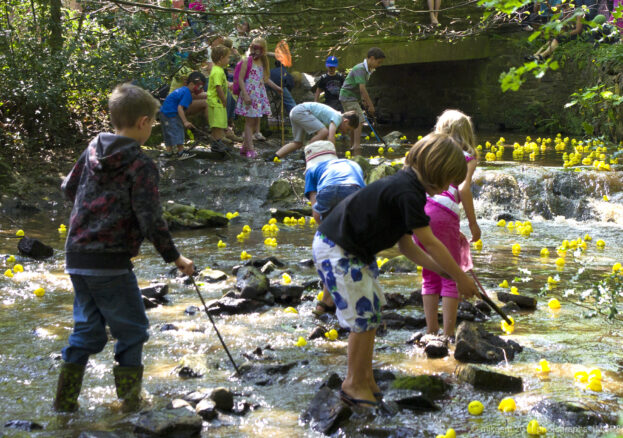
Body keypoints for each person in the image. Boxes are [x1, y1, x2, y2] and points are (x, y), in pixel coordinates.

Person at [53, 83, 195, 413]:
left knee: (89, 331)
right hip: (110, 262)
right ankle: (131, 405)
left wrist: (92, 215)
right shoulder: (140, 164)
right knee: (132, 331)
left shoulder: (92, 148)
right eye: (155, 123)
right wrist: (176, 258)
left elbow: (67, 188)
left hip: (76, 255)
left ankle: (63, 403)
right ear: (143, 122)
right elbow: (150, 220)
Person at [312, 133, 478, 407]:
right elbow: (428, 241)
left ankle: (365, 378)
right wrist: (460, 276)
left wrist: (445, 273)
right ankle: (353, 383)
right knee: (362, 317)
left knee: (373, 310)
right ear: (437, 171)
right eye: (448, 181)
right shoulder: (408, 192)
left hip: (352, 249)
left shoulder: (406, 188)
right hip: (338, 248)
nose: (448, 188)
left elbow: (406, 247)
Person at [414, 110, 481, 339]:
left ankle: (431, 331)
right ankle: (448, 335)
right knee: (451, 274)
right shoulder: (467, 156)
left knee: (430, 273)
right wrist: (473, 225)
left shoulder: (432, 151)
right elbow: (463, 190)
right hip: (445, 213)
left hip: (421, 210)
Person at [303, 141, 365, 317]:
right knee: (350, 243)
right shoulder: (352, 164)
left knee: (330, 246)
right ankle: (341, 296)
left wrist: (325, 231)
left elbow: (316, 212)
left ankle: (325, 301)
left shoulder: (312, 171)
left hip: (328, 191)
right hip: (354, 192)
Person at [235, 37, 282, 158]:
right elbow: (240, 78)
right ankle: (251, 149)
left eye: (258, 48)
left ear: (263, 50)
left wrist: (276, 87)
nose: (255, 51)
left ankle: (244, 149)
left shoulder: (263, 62)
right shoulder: (247, 60)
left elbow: (265, 79)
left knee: (255, 121)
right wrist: (245, 94)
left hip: (259, 95)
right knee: (250, 122)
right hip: (249, 93)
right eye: (253, 47)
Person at [272, 102, 359, 160]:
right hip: (301, 111)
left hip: (295, 111)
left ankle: (274, 157)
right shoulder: (337, 117)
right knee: (324, 132)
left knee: (297, 143)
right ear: (346, 121)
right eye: (347, 129)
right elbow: (331, 136)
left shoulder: (335, 116)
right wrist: (333, 155)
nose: (345, 132)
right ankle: (306, 152)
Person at [339, 47, 385, 155]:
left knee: (352, 120)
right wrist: (371, 105)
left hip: (349, 97)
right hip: (348, 97)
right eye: (379, 62)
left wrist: (363, 100)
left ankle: (352, 144)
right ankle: (356, 145)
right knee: (359, 120)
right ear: (372, 58)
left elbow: (359, 89)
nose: (379, 65)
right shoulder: (360, 69)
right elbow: (362, 88)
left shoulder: (366, 70)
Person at [528, 0, 599, 60]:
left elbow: (578, 30)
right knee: (551, 39)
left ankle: (542, 55)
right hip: (569, 32)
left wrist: (566, 34)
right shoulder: (566, 12)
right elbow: (565, 25)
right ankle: (536, 54)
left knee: (557, 39)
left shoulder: (579, 12)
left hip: (575, 34)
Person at [159, 71, 206, 159]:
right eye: (200, 86)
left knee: (168, 132)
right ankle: (181, 152)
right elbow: (180, 107)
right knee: (178, 130)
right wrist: (185, 121)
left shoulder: (183, 89)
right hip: (171, 114)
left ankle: (168, 151)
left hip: (163, 113)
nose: (201, 90)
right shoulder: (187, 93)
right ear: (192, 84)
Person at [207, 45, 231, 150]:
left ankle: (217, 142)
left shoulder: (219, 70)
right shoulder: (217, 71)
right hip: (216, 101)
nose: (228, 60)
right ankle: (216, 143)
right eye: (227, 57)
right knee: (217, 124)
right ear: (221, 58)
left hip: (217, 101)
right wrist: (224, 100)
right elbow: (218, 87)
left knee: (219, 122)